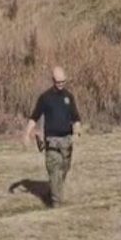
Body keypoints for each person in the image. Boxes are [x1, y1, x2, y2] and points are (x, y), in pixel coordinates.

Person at [23, 66, 82, 207]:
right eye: (58, 82)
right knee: (54, 171)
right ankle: (56, 203)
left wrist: (77, 132)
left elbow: (76, 118)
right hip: (52, 142)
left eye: (63, 81)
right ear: (53, 80)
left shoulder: (69, 97)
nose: (61, 84)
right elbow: (34, 117)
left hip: (67, 141)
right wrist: (26, 134)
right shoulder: (45, 98)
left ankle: (53, 191)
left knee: (64, 170)